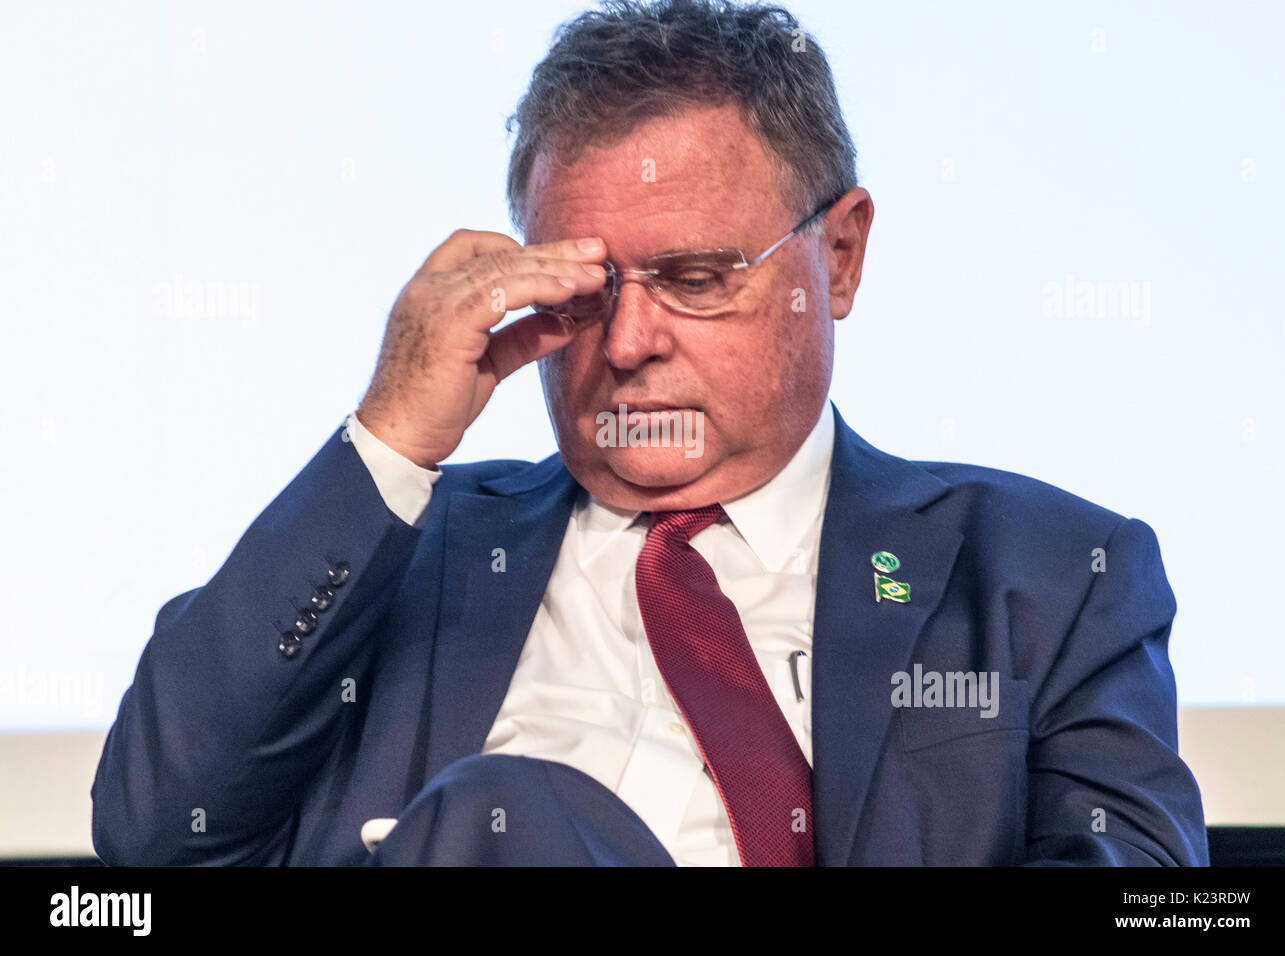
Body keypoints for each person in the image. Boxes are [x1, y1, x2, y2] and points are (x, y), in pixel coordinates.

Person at [91, 0, 1209, 866]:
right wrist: (390, 434)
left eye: (693, 277)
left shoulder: (1044, 576)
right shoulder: (409, 554)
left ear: (841, 256)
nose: (626, 341)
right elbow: (151, 833)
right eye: (577, 287)